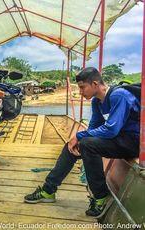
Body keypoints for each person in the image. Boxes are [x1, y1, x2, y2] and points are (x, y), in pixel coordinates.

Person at [24, 67, 140, 217]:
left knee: (86, 144)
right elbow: (94, 126)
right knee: (73, 145)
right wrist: (78, 139)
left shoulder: (119, 96)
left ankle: (100, 196)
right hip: (118, 139)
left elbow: (111, 129)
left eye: (82, 87)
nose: (80, 92)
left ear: (95, 84)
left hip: (134, 142)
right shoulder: (97, 102)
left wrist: (80, 136)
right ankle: (48, 190)